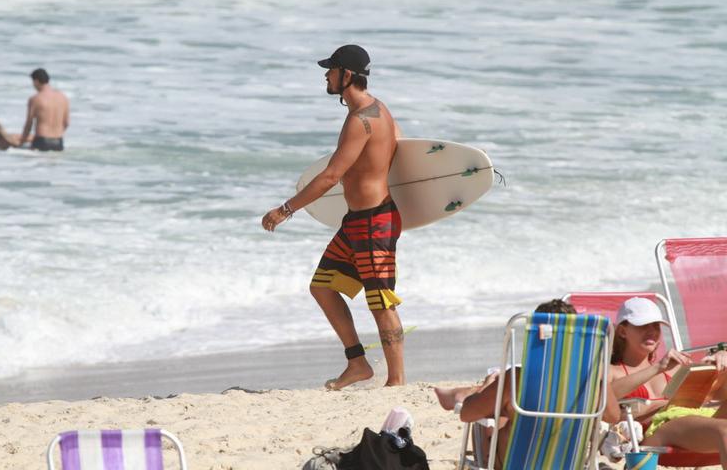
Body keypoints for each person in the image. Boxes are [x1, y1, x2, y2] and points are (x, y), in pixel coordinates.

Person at [261, 44, 405, 390]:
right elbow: (398, 147)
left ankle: (397, 380)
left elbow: (330, 176)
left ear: (347, 76)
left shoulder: (360, 121)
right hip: (357, 220)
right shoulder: (379, 110)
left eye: (331, 70)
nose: (326, 75)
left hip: (373, 221)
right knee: (323, 286)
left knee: (380, 300)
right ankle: (357, 363)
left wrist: (285, 210)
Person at [434, 299, 620, 467]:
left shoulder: (516, 378)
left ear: (535, 337)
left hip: (516, 464)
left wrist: (485, 388)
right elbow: (613, 416)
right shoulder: (591, 381)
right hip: (566, 464)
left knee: (494, 417)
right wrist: (598, 375)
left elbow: (466, 414)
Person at [609, 296, 727, 467]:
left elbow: (717, 395)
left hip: (692, 420)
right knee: (724, 430)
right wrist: (657, 368)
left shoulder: (673, 367)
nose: (652, 331)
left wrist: (720, 366)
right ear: (622, 331)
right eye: (643, 325)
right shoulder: (612, 371)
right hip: (657, 430)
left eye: (655, 326)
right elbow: (604, 398)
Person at [14, 68, 70, 151]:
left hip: (41, 141)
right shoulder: (63, 98)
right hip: (58, 142)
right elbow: (66, 123)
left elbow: (28, 124)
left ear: (36, 81)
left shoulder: (35, 99)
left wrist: (22, 141)